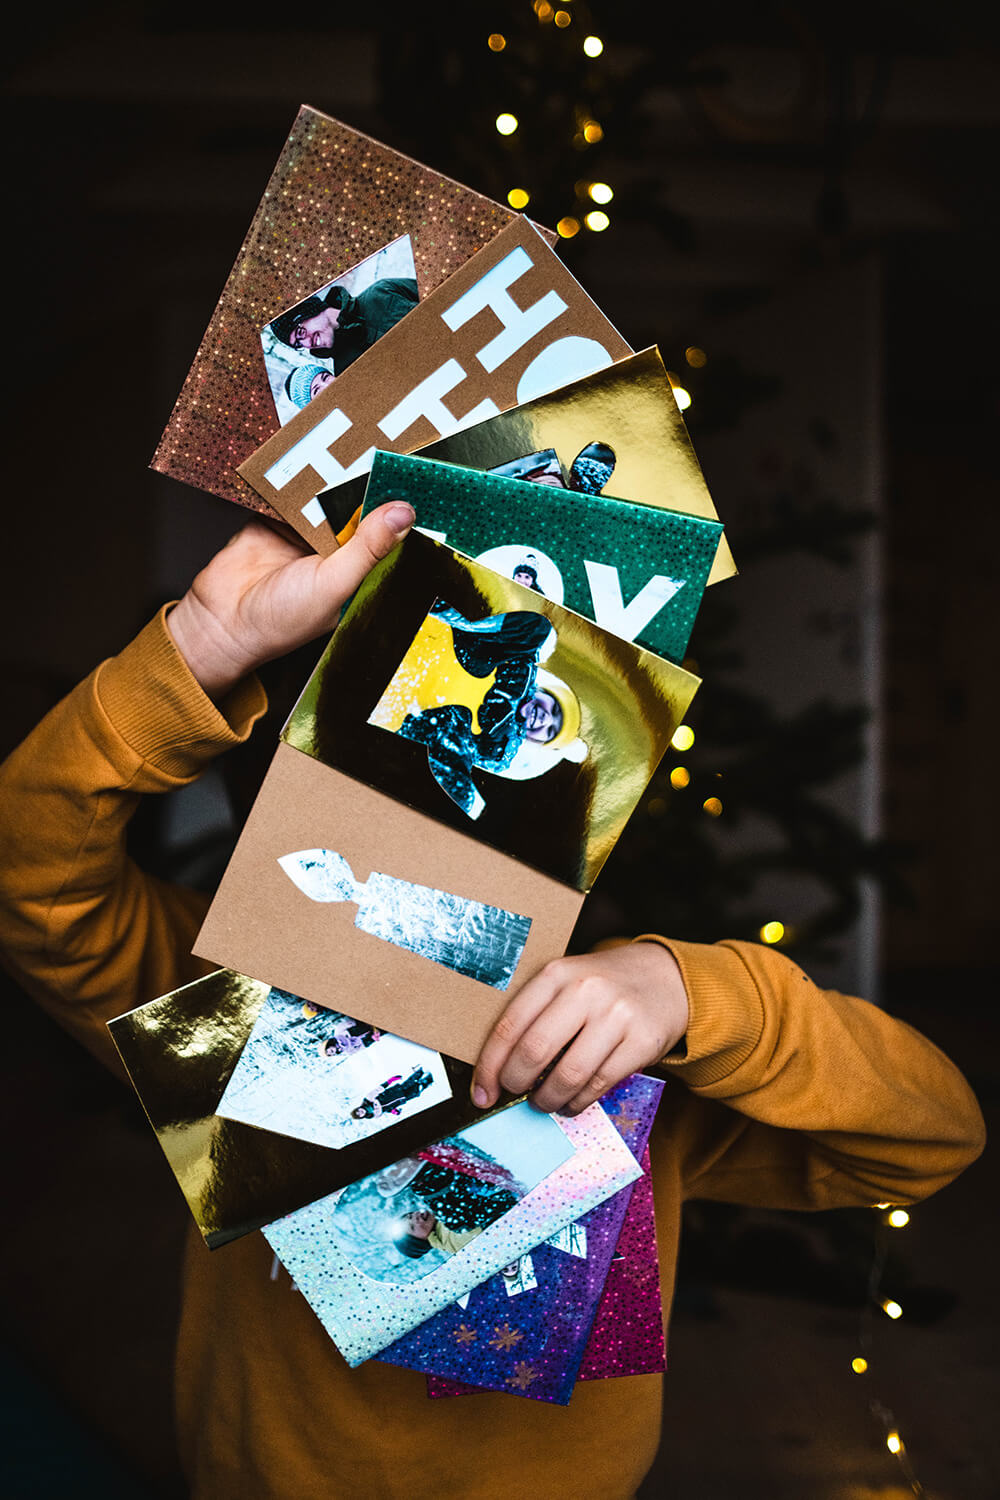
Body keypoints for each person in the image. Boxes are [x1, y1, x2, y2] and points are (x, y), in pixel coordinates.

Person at [0, 502, 985, 1500]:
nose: (433, 820)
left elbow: (929, 1137)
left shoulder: (619, 1051)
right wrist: (200, 651)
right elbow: (29, 879)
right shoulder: (219, 995)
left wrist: (693, 993)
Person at [395, 601, 584, 818]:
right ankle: (446, 611)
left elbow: (476, 754)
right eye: (556, 710)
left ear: (536, 742)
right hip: (435, 640)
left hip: (410, 704)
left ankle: (468, 800)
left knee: (455, 725)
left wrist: (475, 808)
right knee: (495, 652)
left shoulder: (501, 746)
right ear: (546, 691)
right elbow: (535, 631)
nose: (545, 719)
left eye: (550, 731)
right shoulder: (518, 666)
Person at [269, 276, 419, 375]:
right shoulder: (346, 372)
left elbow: (431, 292)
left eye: (300, 333)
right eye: (298, 344)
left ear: (308, 310)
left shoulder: (382, 291)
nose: (307, 343)